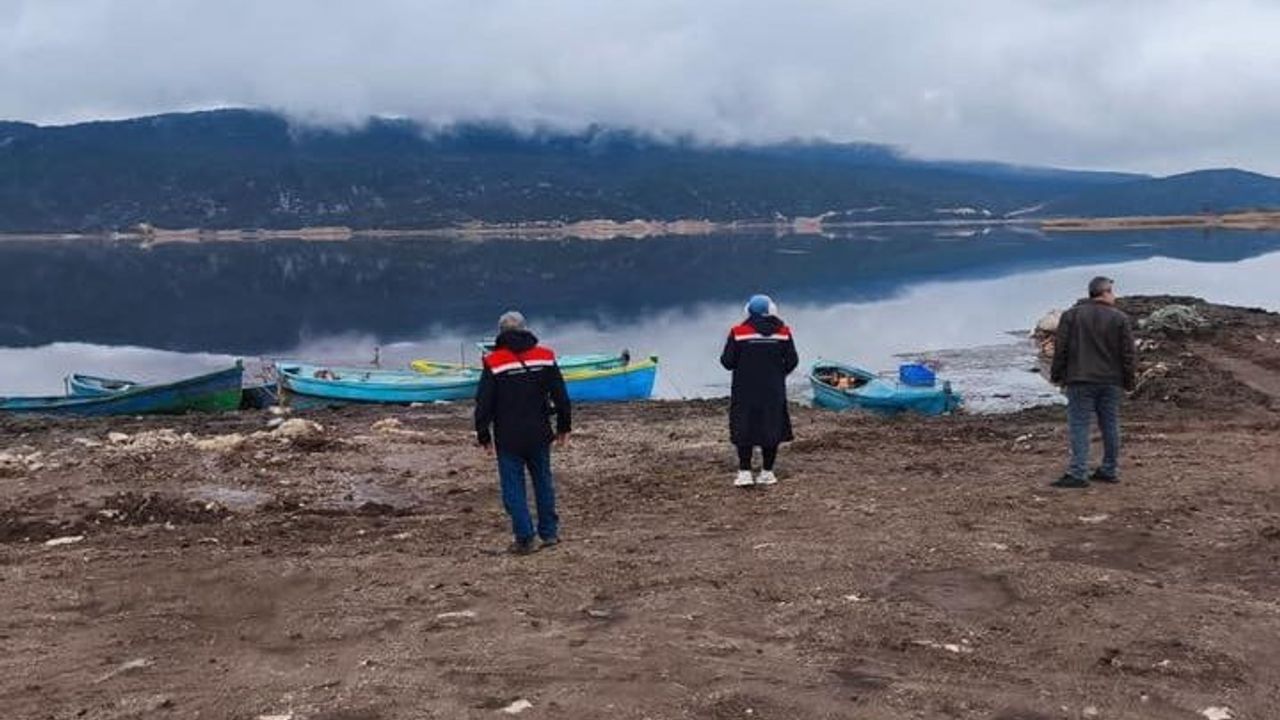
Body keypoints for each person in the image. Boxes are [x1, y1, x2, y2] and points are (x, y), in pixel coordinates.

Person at [475, 311, 572, 553]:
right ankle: (549, 534)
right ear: (525, 329)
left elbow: (483, 402)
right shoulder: (545, 357)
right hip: (540, 432)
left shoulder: (494, 362)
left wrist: (483, 435)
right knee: (543, 482)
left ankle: (525, 537)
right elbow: (561, 397)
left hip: (508, 437)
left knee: (513, 488)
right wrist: (563, 427)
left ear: (501, 333)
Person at [1049, 276, 1137, 488]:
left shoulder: (1071, 316)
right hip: (1111, 381)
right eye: (1112, 291)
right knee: (1110, 424)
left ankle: (1078, 472)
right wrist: (1129, 381)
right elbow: (1128, 354)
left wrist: (1057, 376)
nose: (1114, 296)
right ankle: (1109, 469)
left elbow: (1061, 349)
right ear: (1104, 292)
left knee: (1079, 425)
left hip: (1080, 380)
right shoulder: (1120, 318)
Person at [720, 294, 799, 487]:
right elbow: (792, 361)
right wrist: (778, 375)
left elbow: (727, 362)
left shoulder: (738, 332)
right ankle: (767, 472)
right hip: (773, 391)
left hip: (744, 390)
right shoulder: (783, 332)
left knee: (743, 429)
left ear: (748, 310)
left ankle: (745, 472)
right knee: (771, 428)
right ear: (772, 310)